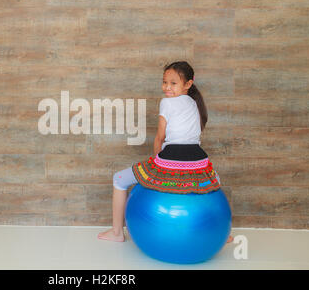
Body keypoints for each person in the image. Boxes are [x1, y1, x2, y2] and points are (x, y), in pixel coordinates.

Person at [98, 61, 234, 243]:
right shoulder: (195, 103)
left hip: (172, 159)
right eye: (165, 82)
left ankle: (116, 233)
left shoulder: (167, 103)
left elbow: (159, 138)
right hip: (199, 161)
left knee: (119, 179)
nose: (167, 87)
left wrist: (156, 165)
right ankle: (222, 234)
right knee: (215, 181)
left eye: (173, 83)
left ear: (188, 84)